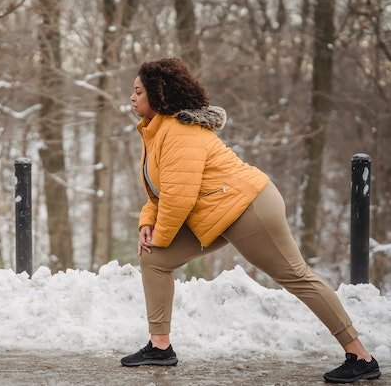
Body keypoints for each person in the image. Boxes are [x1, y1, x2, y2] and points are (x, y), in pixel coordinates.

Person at [121, 58, 381, 384]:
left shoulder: (177, 132)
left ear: (157, 95)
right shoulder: (155, 132)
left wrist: (160, 234)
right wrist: (147, 224)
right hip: (218, 213)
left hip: (250, 208)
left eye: (138, 91)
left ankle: (360, 355)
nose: (132, 98)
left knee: (296, 276)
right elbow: (159, 194)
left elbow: (179, 198)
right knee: (155, 259)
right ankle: (160, 347)